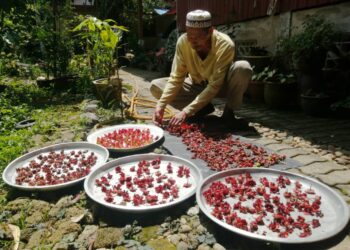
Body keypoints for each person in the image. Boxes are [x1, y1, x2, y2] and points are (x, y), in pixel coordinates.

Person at [150, 9, 252, 127]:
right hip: (196, 84)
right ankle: (202, 108)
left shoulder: (225, 44)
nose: (192, 41)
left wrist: (185, 112)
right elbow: (176, 78)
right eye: (189, 35)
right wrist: (160, 106)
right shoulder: (183, 42)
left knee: (243, 68)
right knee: (156, 86)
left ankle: (228, 113)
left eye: (198, 36)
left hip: (221, 85)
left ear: (210, 31)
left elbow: (214, 85)